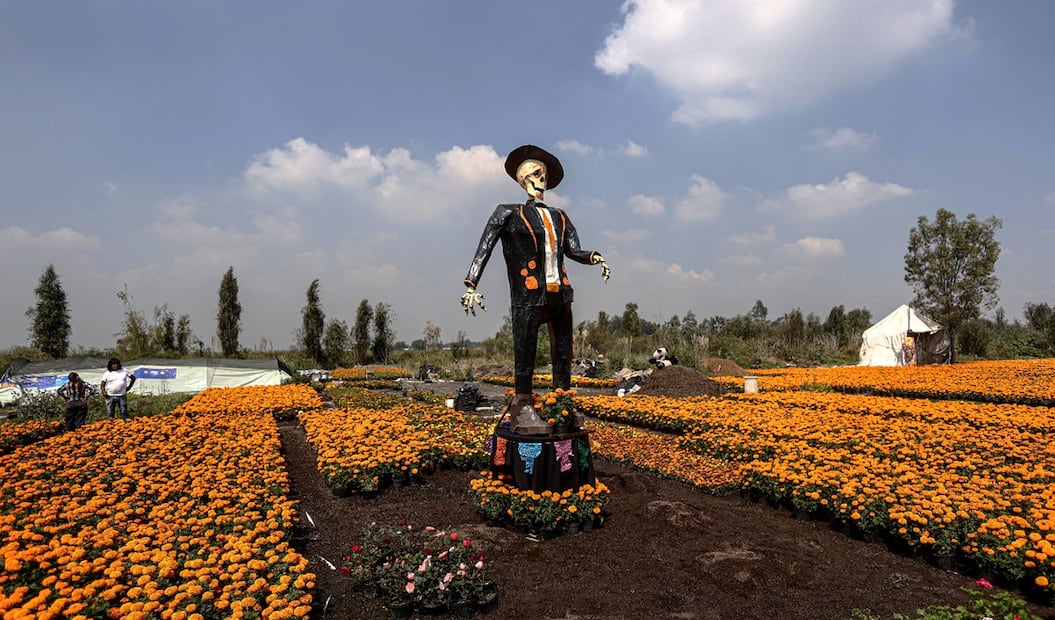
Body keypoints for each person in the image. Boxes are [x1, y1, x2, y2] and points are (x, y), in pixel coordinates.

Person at [461, 144, 610, 434]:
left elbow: (573, 250)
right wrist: (471, 283)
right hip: (529, 295)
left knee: (563, 352)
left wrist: (595, 257)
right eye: (538, 172)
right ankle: (522, 406)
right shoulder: (507, 213)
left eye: (545, 174)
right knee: (525, 350)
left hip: (560, 294)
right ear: (525, 177)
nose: (543, 178)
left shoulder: (560, 216)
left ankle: (562, 403)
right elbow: (485, 247)